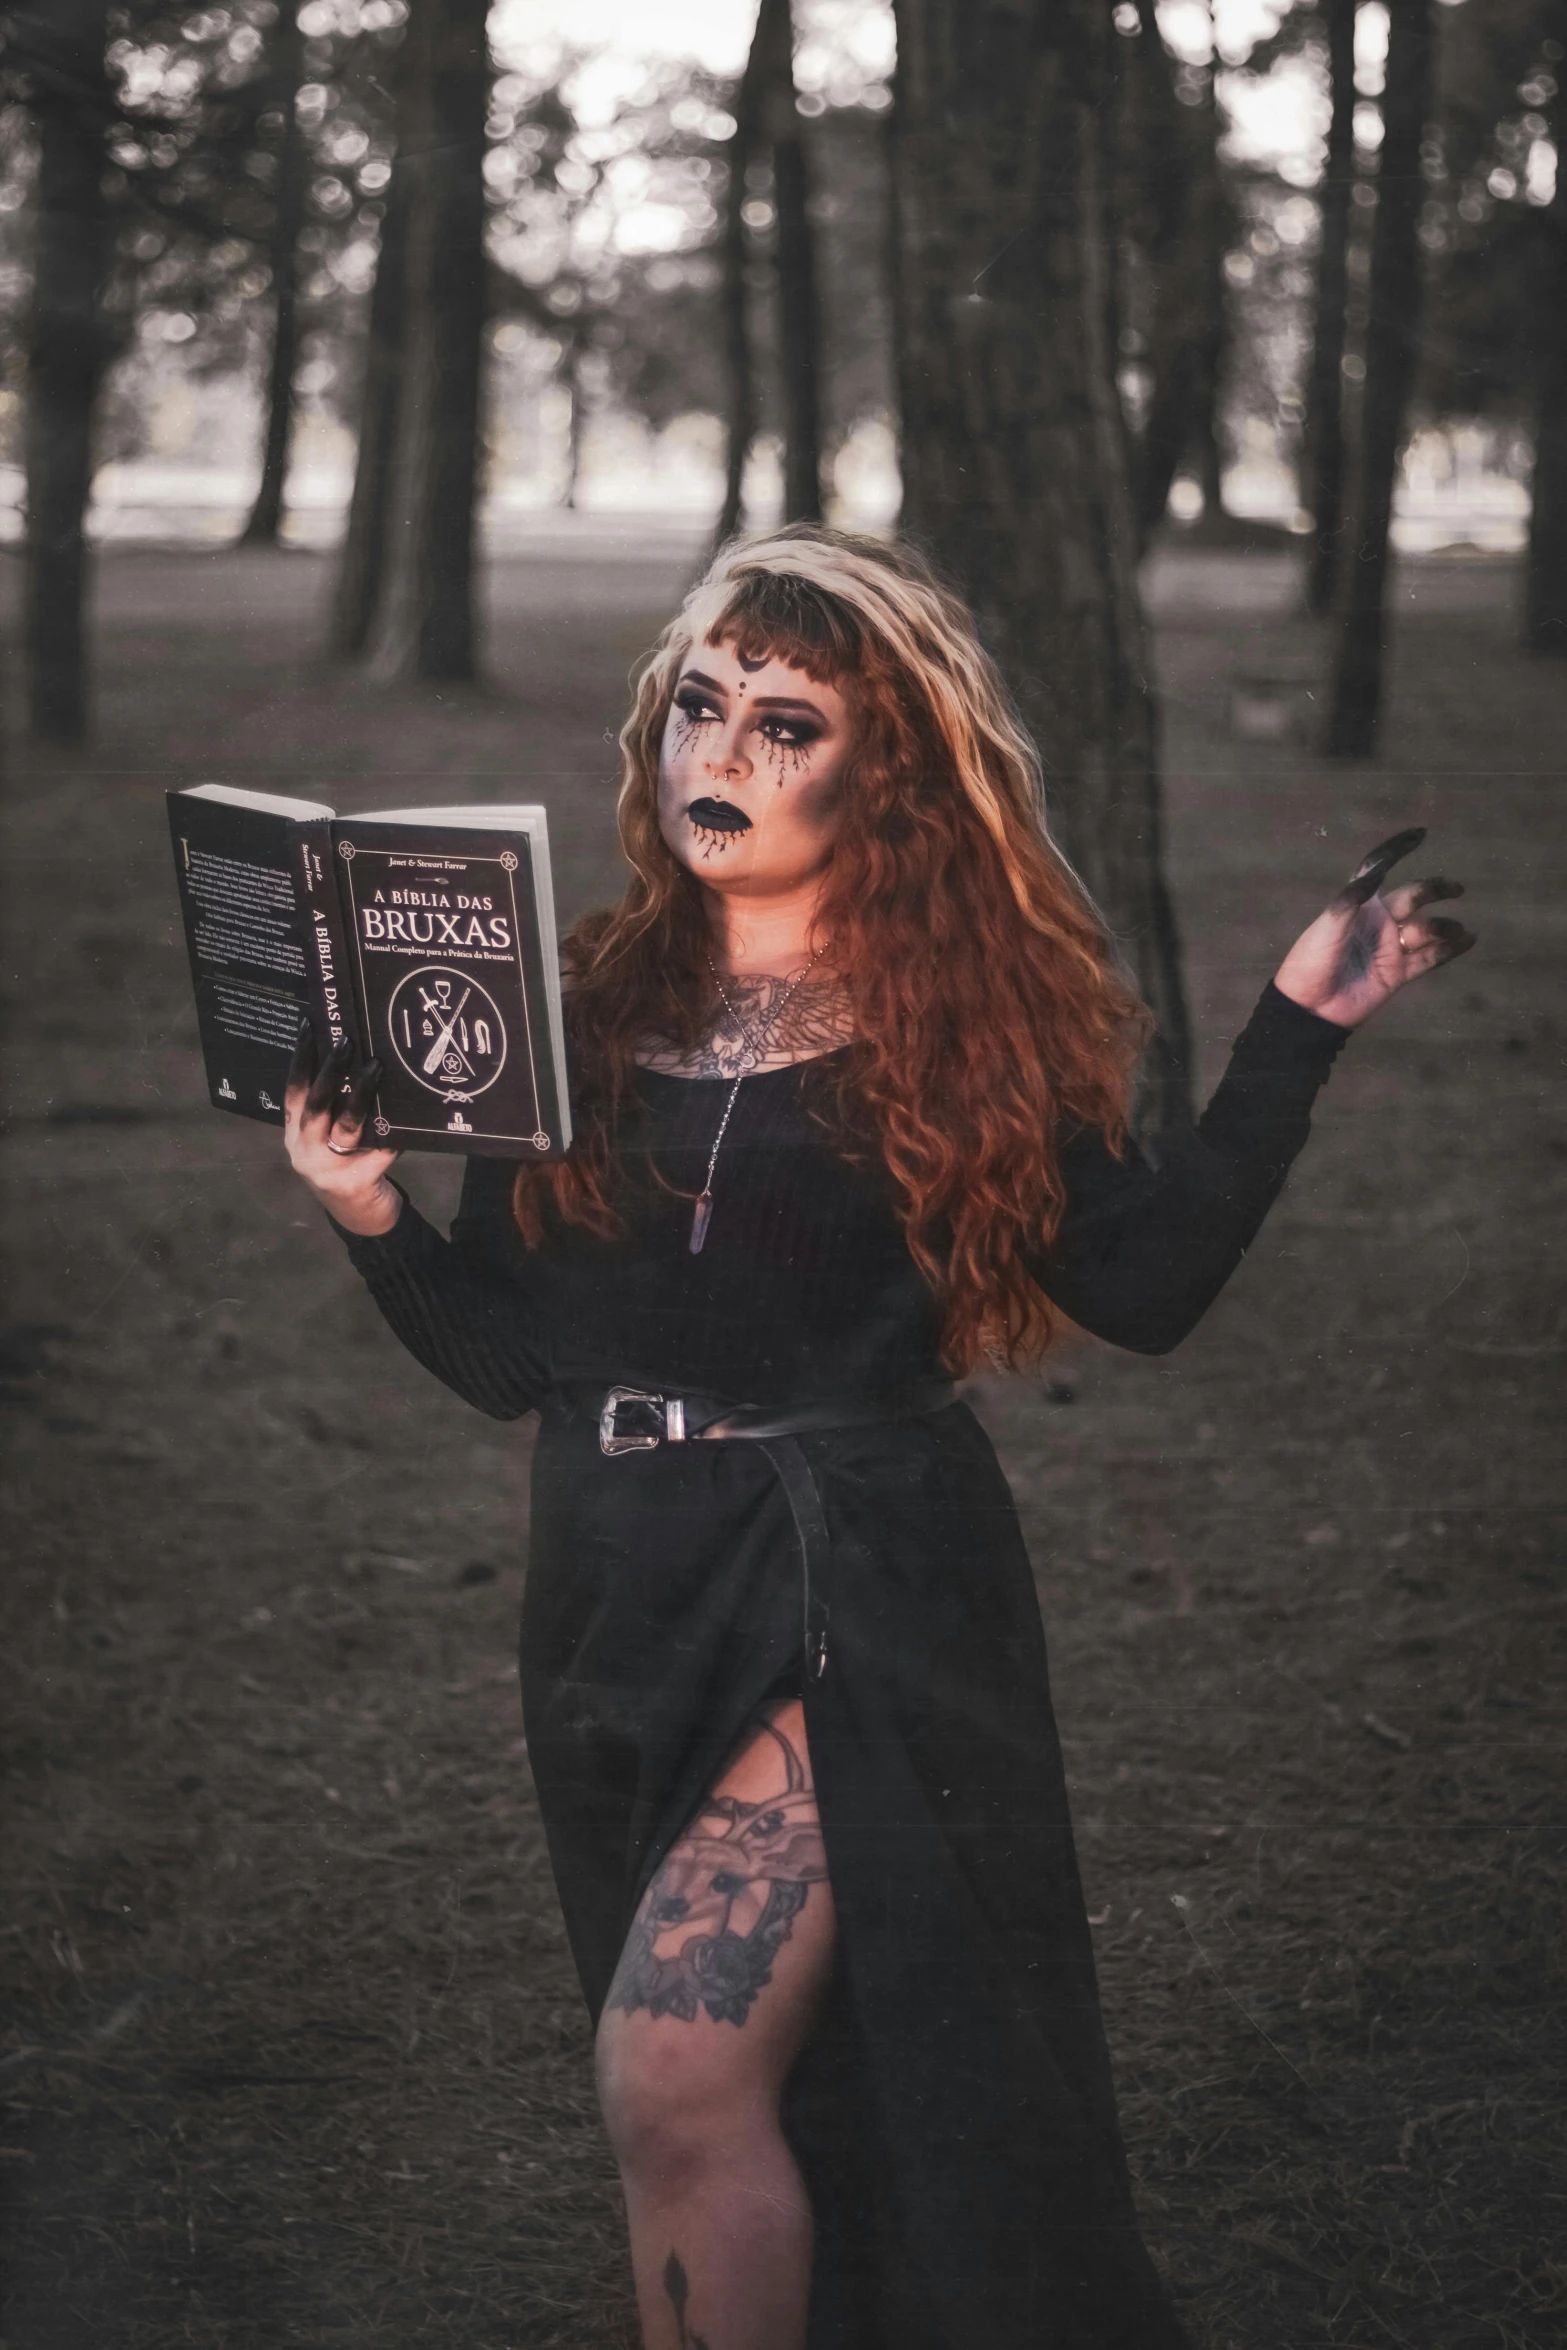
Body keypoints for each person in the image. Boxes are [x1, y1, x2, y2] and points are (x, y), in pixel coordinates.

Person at [282, 527, 1472, 2350]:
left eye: (787, 721)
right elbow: (509, 1358)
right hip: (613, 1588)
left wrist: (1295, 1031)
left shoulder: (966, 1033)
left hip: (861, 1590)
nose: (723, 753)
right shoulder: (577, 1009)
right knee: (733, 2095)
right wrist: (369, 1210)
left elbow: (1142, 1288)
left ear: (884, 770)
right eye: (701, 705)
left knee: (669, 2075)